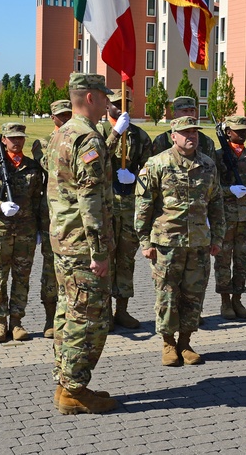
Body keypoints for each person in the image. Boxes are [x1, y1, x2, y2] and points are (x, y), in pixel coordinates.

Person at [46, 73, 118, 415]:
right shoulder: (87, 139)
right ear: (90, 97)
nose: (108, 102)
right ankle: (74, 388)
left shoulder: (60, 133)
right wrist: (100, 251)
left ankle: (67, 382)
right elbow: (90, 200)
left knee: (67, 311)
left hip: (63, 239)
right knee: (88, 318)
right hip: (82, 245)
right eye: (104, 96)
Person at [135, 116, 224, 367]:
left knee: (193, 295)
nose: (191, 136)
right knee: (167, 295)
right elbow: (143, 205)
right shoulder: (157, 163)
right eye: (185, 132)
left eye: (194, 132)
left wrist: (217, 236)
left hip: (198, 243)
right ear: (173, 135)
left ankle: (185, 342)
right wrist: (144, 241)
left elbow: (216, 203)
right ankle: (168, 343)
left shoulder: (207, 164)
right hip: (166, 243)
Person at [0, 122, 47, 343]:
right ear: (4, 140)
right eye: (12, 138)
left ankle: (17, 322)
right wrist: (1, 206)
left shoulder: (33, 168)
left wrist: (39, 228)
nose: (17, 141)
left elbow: (38, 200)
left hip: (25, 232)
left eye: (20, 138)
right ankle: (0, 324)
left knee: (22, 278)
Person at [99, 89, 153, 329]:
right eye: (117, 104)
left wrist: (135, 176)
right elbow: (96, 159)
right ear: (107, 106)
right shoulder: (98, 132)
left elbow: (149, 168)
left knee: (126, 259)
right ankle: (105, 312)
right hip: (106, 205)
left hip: (130, 204)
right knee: (106, 258)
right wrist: (115, 133)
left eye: (126, 104)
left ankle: (122, 310)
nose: (122, 108)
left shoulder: (139, 136)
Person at [29, 99, 73, 339]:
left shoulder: (80, 139)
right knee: (50, 268)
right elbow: (51, 165)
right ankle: (50, 317)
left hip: (73, 216)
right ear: (52, 117)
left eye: (69, 114)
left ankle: (71, 316)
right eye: (61, 116)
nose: (65, 119)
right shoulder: (43, 143)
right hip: (51, 216)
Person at [214, 115, 246, 319]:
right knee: (223, 260)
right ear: (227, 132)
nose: (242, 133)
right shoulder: (218, 156)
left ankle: (237, 299)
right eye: (237, 130)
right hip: (225, 215)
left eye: (244, 129)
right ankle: (225, 301)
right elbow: (212, 188)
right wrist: (229, 190)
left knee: (241, 260)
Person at [151, 95, 216, 157]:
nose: (189, 115)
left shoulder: (206, 142)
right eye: (185, 111)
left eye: (192, 111)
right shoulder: (162, 140)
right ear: (175, 114)